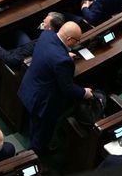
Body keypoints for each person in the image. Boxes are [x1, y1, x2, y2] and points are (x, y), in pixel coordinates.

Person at [19, 21, 93, 153]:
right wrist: (84, 92)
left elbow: (48, 52)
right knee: (42, 131)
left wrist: (64, 52)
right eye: (76, 41)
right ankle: (35, 155)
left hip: (31, 87)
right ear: (69, 39)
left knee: (35, 123)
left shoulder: (46, 35)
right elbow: (67, 88)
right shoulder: (62, 61)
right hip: (43, 101)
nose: (77, 44)